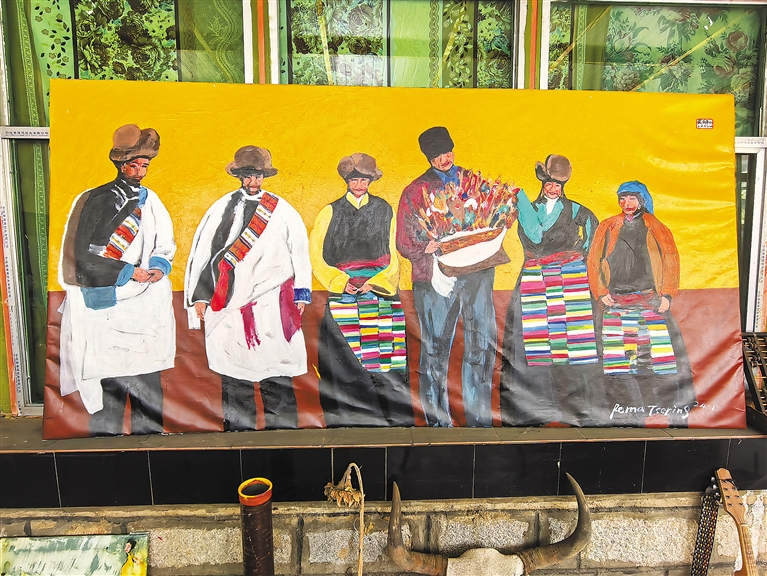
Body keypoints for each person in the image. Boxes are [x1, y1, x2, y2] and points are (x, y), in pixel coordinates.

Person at [58, 124, 176, 436]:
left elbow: (164, 242)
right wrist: (127, 272)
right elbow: (80, 258)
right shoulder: (95, 199)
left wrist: (158, 267)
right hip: (108, 304)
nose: (140, 172)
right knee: (111, 378)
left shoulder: (151, 201)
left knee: (146, 377)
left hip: (144, 305)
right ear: (121, 165)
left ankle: (149, 434)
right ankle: (107, 438)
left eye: (145, 166)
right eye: (134, 165)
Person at [185, 145, 312, 431]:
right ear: (240, 176)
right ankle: (237, 436)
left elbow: (300, 252)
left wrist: (302, 293)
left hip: (271, 301)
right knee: (234, 373)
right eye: (248, 175)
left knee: (276, 372)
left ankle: (283, 437)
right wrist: (201, 296)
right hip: (228, 304)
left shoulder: (282, 210)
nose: (253, 181)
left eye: (258, 176)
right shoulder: (221, 208)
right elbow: (204, 254)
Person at [396, 127, 508, 427]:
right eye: (436, 156)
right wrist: (425, 246)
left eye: (446, 153)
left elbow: (496, 216)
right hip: (434, 279)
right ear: (428, 158)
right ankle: (437, 422)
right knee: (434, 348)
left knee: (481, 344)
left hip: (477, 275)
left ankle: (479, 419)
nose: (443, 160)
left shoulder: (474, 183)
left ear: (453, 151)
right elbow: (404, 243)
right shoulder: (415, 192)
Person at [310, 153, 413, 427]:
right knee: (342, 363)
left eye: (364, 180)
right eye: (354, 179)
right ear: (346, 180)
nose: (359, 185)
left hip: (379, 295)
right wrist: (339, 281)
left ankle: (392, 421)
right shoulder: (329, 212)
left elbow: (393, 253)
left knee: (386, 360)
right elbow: (316, 256)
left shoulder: (384, 209)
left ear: (371, 181)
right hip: (343, 295)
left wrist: (376, 282)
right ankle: (347, 421)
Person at [499, 154, 601, 427]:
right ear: (542, 183)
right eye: (549, 183)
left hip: (571, 281)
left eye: (558, 184)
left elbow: (594, 244)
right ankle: (532, 410)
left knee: (574, 342)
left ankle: (575, 409)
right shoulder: (526, 208)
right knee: (532, 343)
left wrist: (581, 268)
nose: (553, 188)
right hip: (535, 278)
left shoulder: (579, 212)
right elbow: (533, 236)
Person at [587, 181, 695, 426]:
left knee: (655, 359)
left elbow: (670, 259)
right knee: (617, 360)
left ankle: (660, 409)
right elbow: (594, 259)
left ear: (642, 200)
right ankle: (627, 412)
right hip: (616, 301)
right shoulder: (607, 225)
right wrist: (601, 292)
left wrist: (667, 295)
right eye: (622, 198)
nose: (626, 204)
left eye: (632, 199)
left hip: (649, 301)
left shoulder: (655, 226)